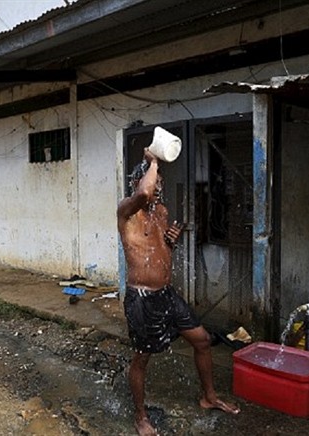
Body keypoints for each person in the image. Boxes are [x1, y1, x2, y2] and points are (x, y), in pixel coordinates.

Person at [117, 148, 240, 436]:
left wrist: (170, 243)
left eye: (160, 181)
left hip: (167, 295)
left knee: (202, 340)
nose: (158, 186)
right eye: (155, 180)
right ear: (139, 182)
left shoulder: (161, 212)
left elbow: (159, 253)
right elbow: (143, 195)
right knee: (142, 357)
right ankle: (140, 416)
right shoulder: (126, 210)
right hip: (142, 300)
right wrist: (154, 160)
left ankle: (208, 396)